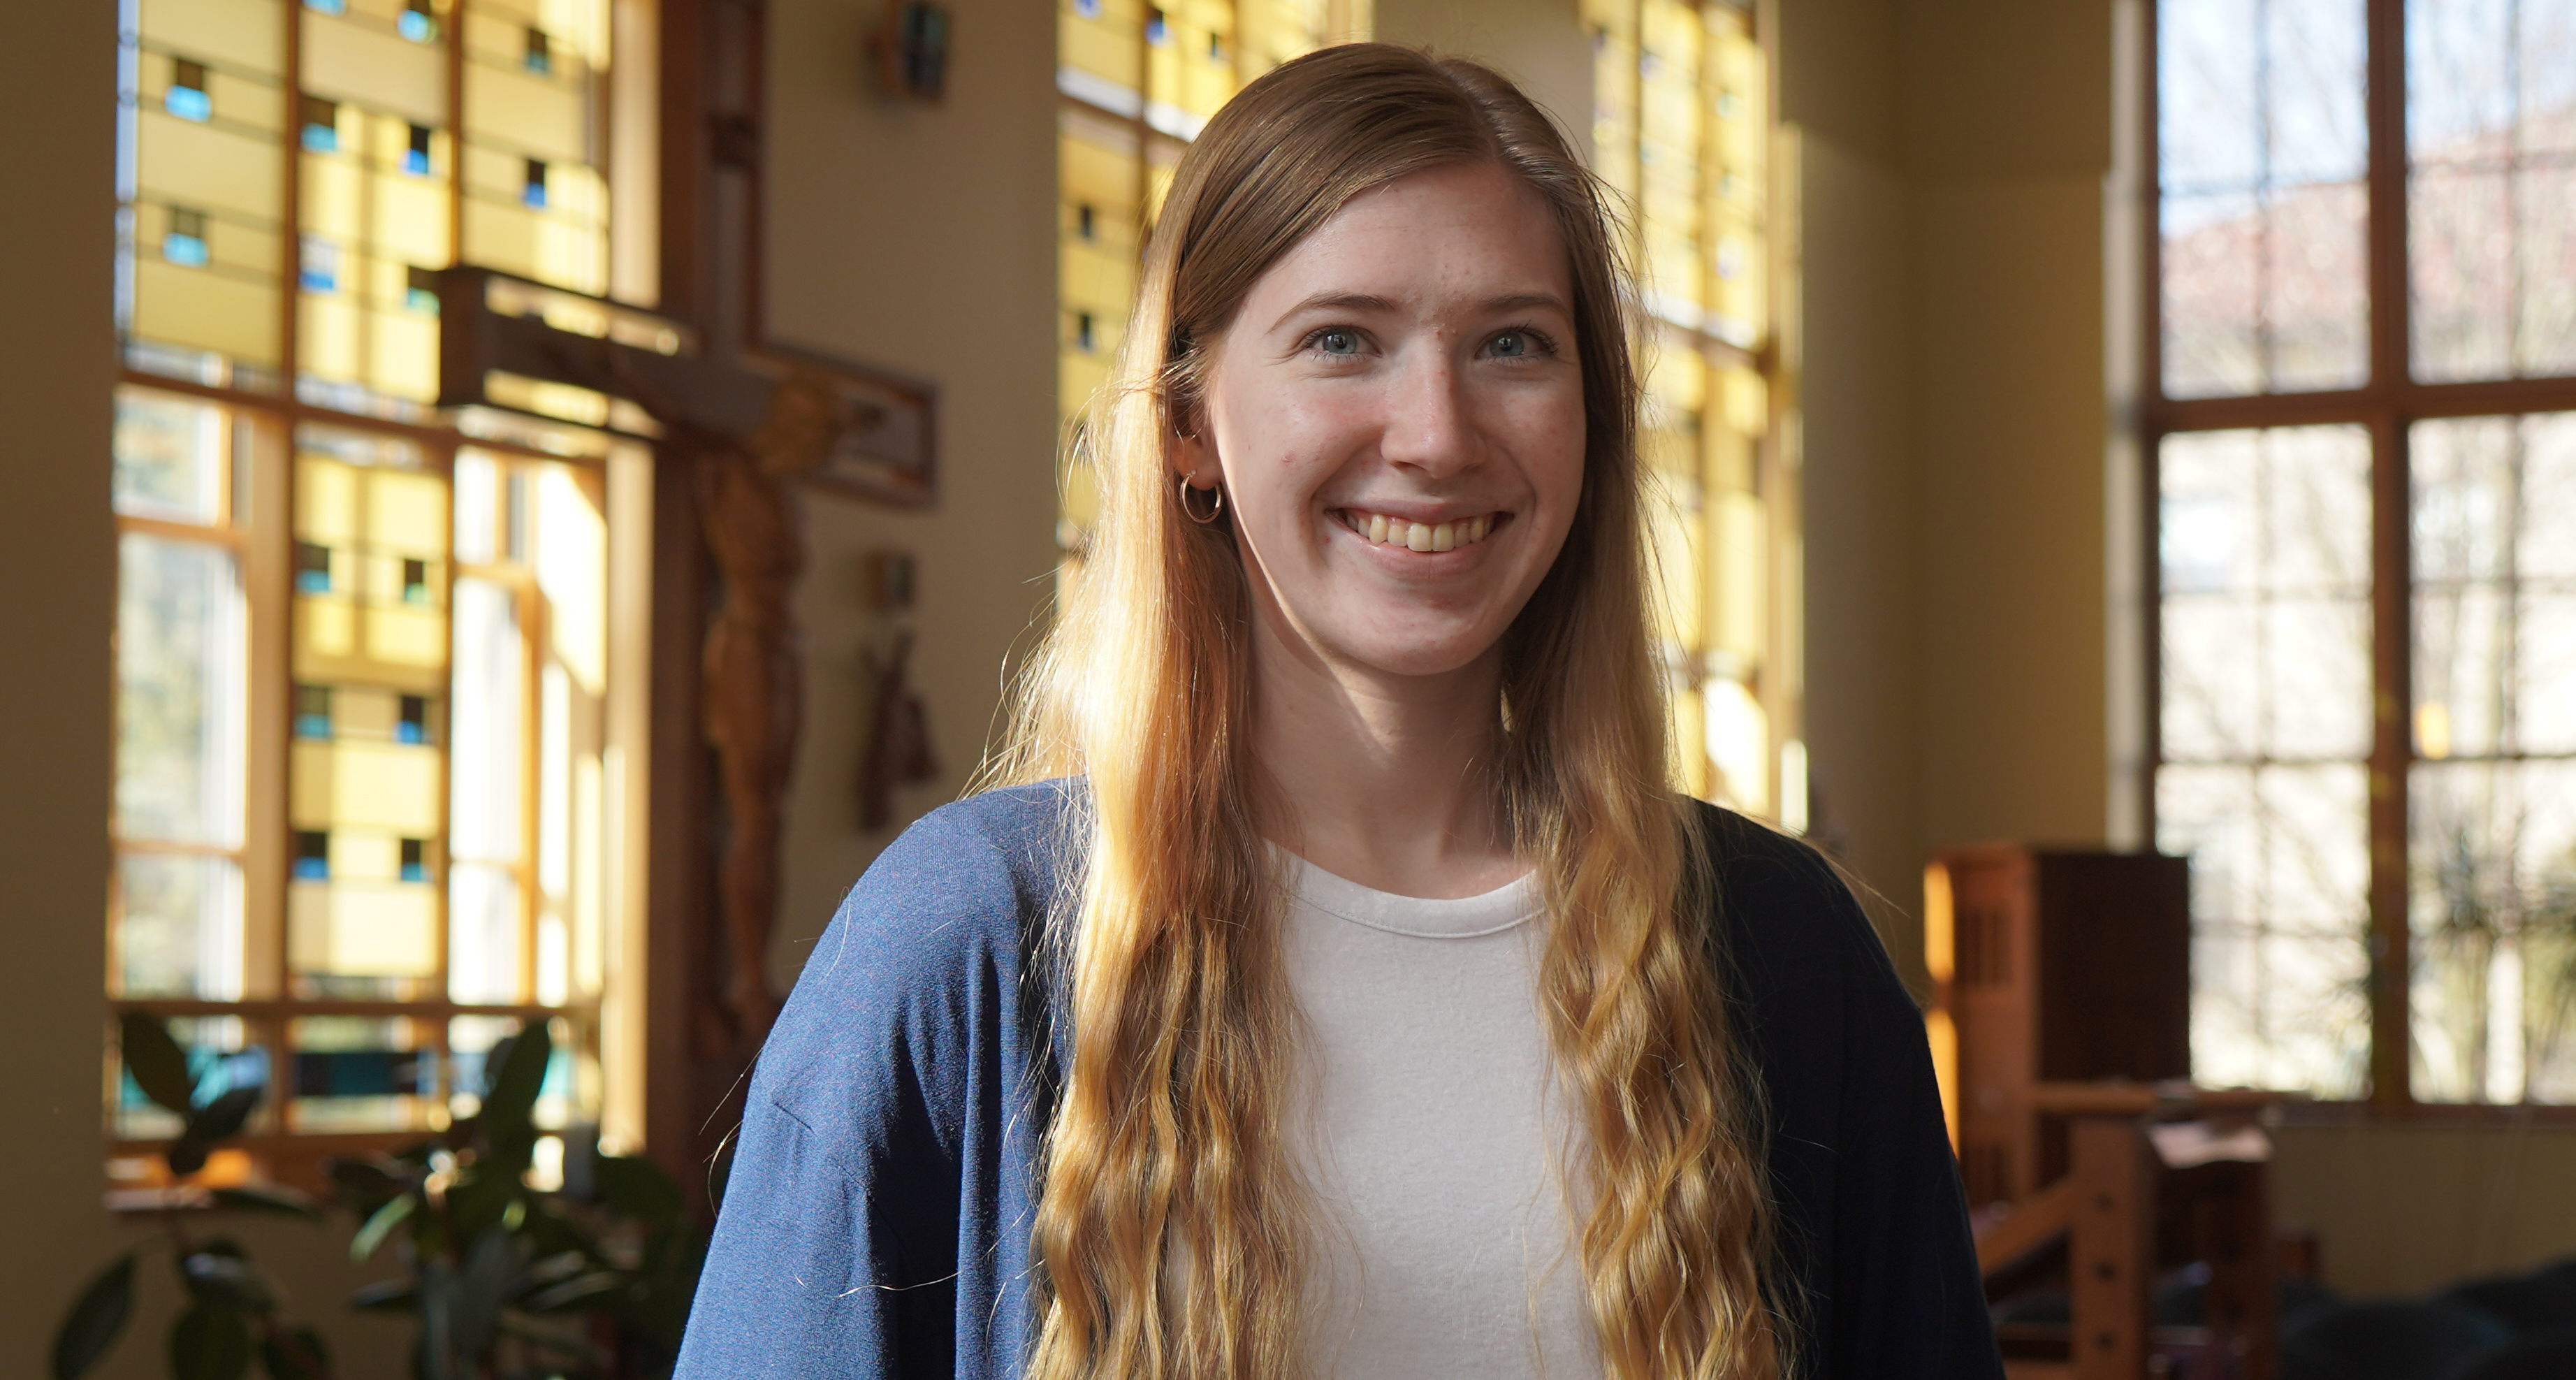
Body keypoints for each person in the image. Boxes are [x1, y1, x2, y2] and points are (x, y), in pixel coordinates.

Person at [674, 43, 1999, 1380]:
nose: (1435, 432)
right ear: (1191, 421)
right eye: (1341, 340)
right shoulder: (972, 942)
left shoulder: (1782, 953)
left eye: (1512, 345)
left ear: (1589, 420)